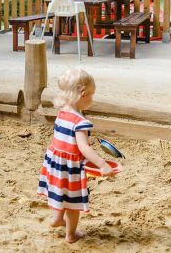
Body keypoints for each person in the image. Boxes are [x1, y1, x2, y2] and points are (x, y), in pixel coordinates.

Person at [37, 68, 116, 243]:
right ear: (83, 94)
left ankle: (58, 218)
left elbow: (61, 138)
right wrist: (102, 164)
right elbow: (84, 148)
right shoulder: (81, 122)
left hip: (56, 163)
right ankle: (71, 235)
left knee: (60, 192)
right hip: (70, 167)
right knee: (73, 203)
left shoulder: (62, 112)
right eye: (91, 96)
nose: (92, 100)